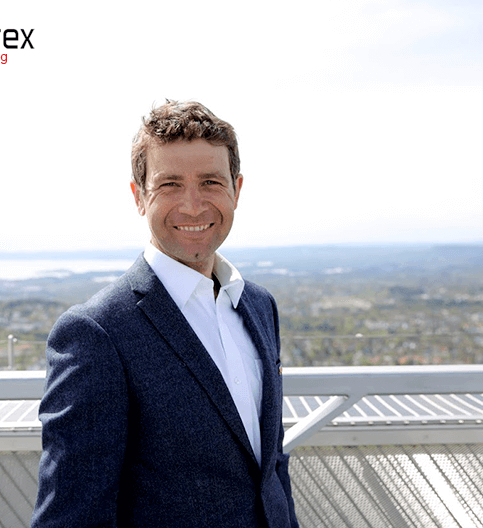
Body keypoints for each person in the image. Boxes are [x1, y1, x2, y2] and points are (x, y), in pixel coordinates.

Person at [32, 100, 298, 528]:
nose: (193, 205)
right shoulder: (97, 333)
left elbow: (271, 469)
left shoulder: (258, 305)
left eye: (210, 182)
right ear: (139, 196)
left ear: (236, 190)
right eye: (170, 184)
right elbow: (71, 516)